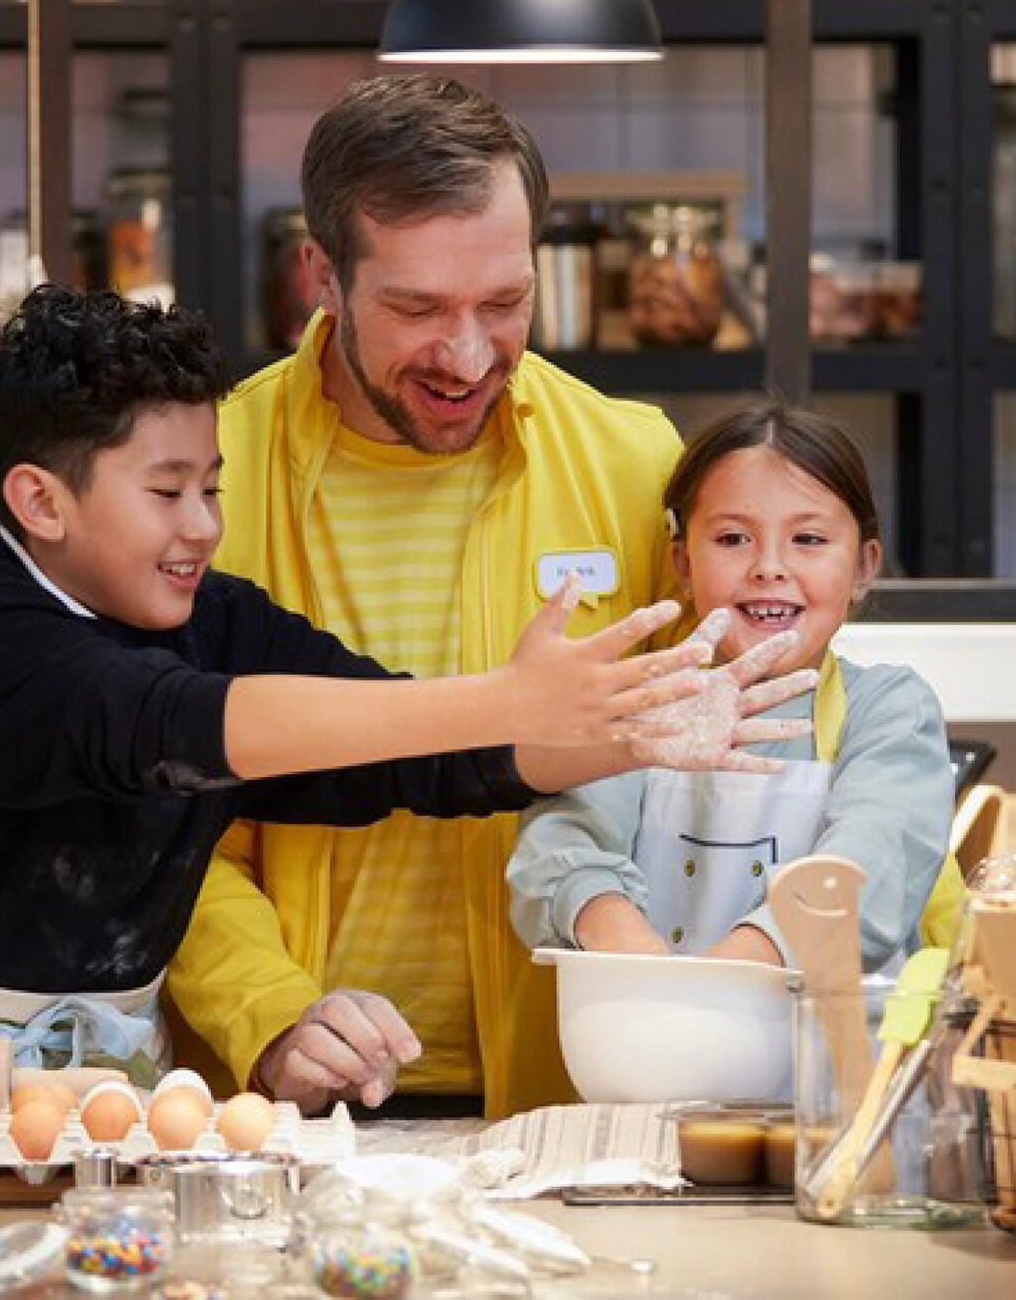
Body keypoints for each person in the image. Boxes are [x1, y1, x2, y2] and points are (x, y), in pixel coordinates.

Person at [0, 286, 812, 1084]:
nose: (204, 525)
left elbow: (407, 754)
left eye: (213, 487)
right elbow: (175, 724)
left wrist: (619, 737)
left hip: (107, 1086)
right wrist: (508, 696)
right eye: (167, 492)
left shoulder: (214, 620)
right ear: (40, 503)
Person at [166, 74, 705, 1117]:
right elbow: (160, 813)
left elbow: (715, 784)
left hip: (580, 1102)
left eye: (502, 303)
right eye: (416, 308)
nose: (465, 356)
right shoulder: (207, 474)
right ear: (321, 274)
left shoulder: (638, 464)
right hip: (279, 1115)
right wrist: (269, 1010)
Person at [508, 405, 965, 971]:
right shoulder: (640, 701)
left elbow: (872, 860)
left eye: (808, 538)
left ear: (865, 567)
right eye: (732, 538)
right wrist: (633, 950)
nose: (769, 567)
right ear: (682, 562)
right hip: (651, 1042)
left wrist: (726, 979)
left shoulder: (888, 711)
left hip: (839, 1057)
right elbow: (559, 847)